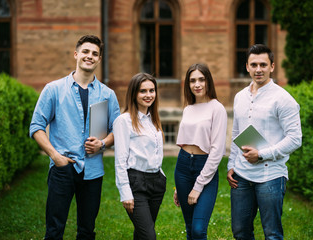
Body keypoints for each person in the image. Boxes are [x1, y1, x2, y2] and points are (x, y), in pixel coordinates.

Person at [29, 35, 120, 240]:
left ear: (99, 59)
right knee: (54, 230)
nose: (90, 56)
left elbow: (118, 130)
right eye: (86, 52)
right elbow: (36, 126)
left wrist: (103, 144)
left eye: (95, 54)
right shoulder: (54, 89)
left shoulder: (108, 94)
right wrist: (55, 156)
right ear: (76, 54)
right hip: (63, 167)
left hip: (93, 171)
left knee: (87, 231)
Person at [227, 44, 302, 240]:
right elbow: (237, 132)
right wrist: (231, 164)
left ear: (272, 66)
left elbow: (295, 139)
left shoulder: (283, 99)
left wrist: (261, 154)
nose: (258, 69)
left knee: (272, 234)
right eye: (254, 64)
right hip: (241, 175)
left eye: (263, 64)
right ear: (247, 67)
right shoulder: (239, 97)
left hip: (271, 175)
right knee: (240, 232)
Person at [174, 63, 227, 240]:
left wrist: (198, 186)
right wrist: (178, 188)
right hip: (182, 167)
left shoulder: (216, 108)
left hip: (205, 168)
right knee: (189, 227)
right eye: (192, 80)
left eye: (201, 79)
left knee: (198, 229)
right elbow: (184, 143)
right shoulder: (188, 109)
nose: (197, 84)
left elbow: (217, 151)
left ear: (208, 81)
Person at [113, 73, 166, 240]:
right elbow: (120, 160)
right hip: (137, 183)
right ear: (134, 94)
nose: (148, 95)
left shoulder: (153, 119)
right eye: (143, 91)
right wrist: (125, 193)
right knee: (149, 236)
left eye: (152, 90)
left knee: (142, 233)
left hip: (156, 183)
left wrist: (161, 174)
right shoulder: (124, 121)